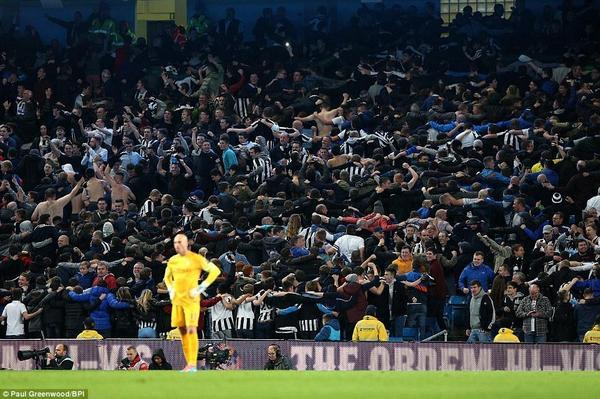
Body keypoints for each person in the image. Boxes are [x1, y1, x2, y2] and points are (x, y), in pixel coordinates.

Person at [164, 233, 221, 372]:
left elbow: (215, 271)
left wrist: (200, 288)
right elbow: (167, 278)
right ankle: (189, 364)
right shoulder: (173, 260)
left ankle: (193, 365)